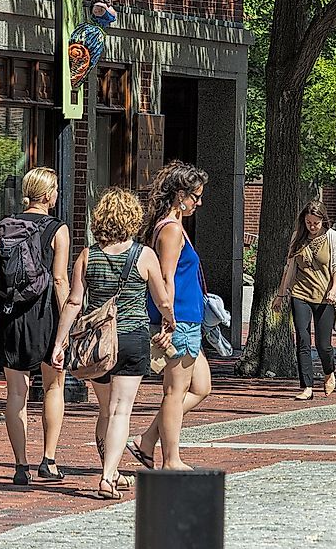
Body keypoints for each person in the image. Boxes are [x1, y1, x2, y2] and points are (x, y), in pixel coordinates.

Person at [51, 188, 175, 499]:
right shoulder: (144, 255)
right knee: (122, 411)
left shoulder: (87, 255)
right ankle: (107, 476)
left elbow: (73, 302)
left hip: (97, 344)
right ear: (132, 218)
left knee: (105, 410)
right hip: (132, 336)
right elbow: (161, 299)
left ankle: (113, 469)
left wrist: (59, 342)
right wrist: (169, 320)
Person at [0, 167, 71, 486]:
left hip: (10, 316)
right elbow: (60, 279)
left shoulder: (6, 226)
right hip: (44, 315)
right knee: (53, 387)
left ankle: (20, 466)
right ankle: (48, 461)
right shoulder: (56, 228)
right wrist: (66, 325)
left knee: (16, 393)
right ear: (49, 195)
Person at [128, 161, 212, 471]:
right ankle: (170, 459)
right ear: (180, 195)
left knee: (201, 387)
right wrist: (168, 317)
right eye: (196, 196)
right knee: (174, 392)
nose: (198, 203)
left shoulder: (173, 226)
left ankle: (147, 440)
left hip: (190, 318)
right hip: (180, 319)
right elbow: (166, 277)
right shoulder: (172, 229)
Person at [273, 200, 336, 400]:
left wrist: (334, 288)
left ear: (323, 221)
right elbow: (290, 268)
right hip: (300, 293)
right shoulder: (298, 237)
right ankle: (307, 386)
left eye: (315, 223)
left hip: (324, 295)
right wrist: (281, 295)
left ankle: (329, 372)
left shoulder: (332, 237)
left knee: (323, 345)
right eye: (308, 222)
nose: (312, 227)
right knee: (302, 339)